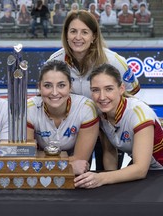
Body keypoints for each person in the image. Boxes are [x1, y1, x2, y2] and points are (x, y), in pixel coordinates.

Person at [47, 10, 140, 170]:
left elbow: (132, 95)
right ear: (66, 34)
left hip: (109, 132)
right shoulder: (55, 62)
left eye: (84, 32)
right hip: (74, 133)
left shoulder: (114, 61)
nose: (78, 37)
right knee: (76, 179)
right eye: (73, 31)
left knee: (108, 178)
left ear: (94, 36)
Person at [74, 63, 163, 188]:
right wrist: (111, 188)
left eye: (109, 89)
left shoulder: (138, 113)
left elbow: (140, 169)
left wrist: (101, 178)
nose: (102, 96)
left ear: (121, 89)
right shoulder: (100, 112)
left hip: (157, 169)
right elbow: (110, 151)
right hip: (149, 169)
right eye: (95, 90)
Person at [27, 60, 99, 175]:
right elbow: (27, 162)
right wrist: (68, 166)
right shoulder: (29, 109)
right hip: (39, 176)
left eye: (61, 85)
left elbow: (80, 162)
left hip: (72, 177)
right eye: (47, 86)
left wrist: (44, 164)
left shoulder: (86, 108)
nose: (54, 92)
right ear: (39, 87)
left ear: (70, 86)